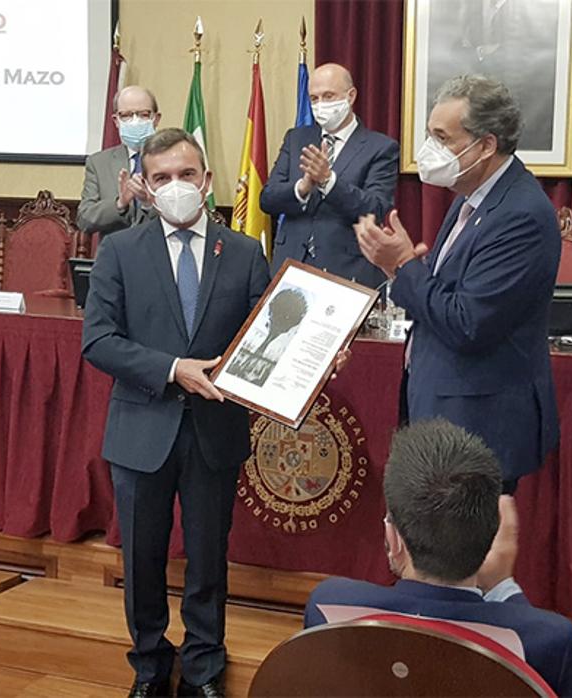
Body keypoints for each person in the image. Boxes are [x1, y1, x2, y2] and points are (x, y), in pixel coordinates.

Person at [82, 128, 271, 698]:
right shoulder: (119, 250)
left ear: (207, 181)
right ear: (146, 186)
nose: (176, 187)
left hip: (214, 432)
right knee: (142, 561)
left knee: (209, 559)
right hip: (142, 429)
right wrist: (172, 369)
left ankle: (205, 669)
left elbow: (266, 337)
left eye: (186, 175)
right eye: (161, 178)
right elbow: (98, 341)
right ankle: (149, 666)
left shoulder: (242, 251)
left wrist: (311, 359)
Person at [353, 74, 560, 493]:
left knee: (465, 558)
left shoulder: (520, 214)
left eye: (443, 138)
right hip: (442, 408)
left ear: (486, 144)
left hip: (478, 424)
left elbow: (468, 323)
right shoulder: (470, 197)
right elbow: (445, 294)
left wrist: (402, 267)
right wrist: (409, 269)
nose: (430, 151)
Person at [305, 420, 572, 697]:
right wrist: (503, 586)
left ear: (393, 538)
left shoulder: (328, 605)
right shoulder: (544, 638)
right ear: (492, 535)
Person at [261, 63, 399, 289]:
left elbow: (375, 208)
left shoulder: (381, 147)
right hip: (291, 265)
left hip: (347, 270)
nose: (320, 105)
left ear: (351, 96)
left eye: (328, 96)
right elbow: (267, 199)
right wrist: (302, 188)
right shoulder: (296, 139)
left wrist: (328, 181)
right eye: (314, 99)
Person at [77, 85, 162, 234]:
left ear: (156, 119)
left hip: (160, 251)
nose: (135, 121)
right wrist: (120, 203)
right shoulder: (98, 163)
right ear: (116, 121)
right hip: (114, 253)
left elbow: (185, 213)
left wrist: (149, 204)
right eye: (126, 115)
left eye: (143, 114)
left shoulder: (174, 161)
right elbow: (85, 220)